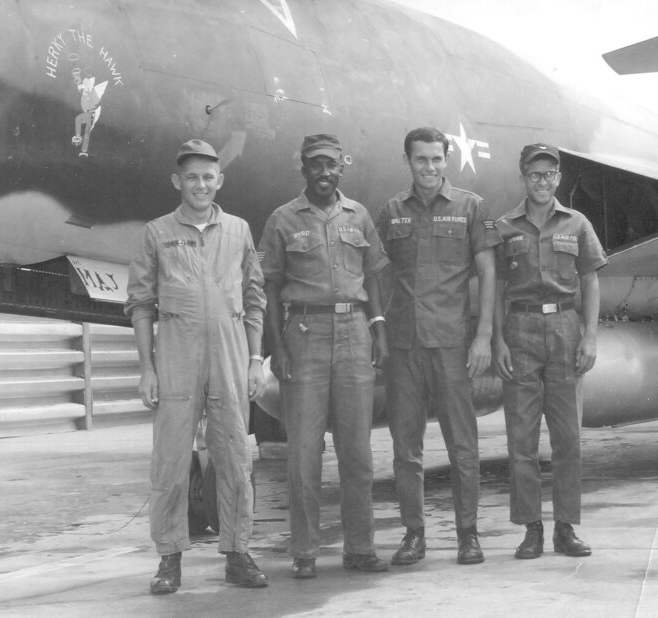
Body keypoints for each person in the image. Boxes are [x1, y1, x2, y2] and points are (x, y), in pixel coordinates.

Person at [124, 138, 269, 595]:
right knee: (169, 462)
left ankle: (237, 553)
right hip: (177, 359)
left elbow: (255, 299)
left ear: (220, 180)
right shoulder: (156, 233)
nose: (200, 185)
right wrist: (147, 368)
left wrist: (254, 360)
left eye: (208, 177)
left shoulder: (239, 231)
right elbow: (140, 305)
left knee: (235, 460)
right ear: (177, 181)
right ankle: (169, 558)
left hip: (229, 357)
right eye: (192, 177)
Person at [258, 133, 390, 579]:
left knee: (357, 451)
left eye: (331, 165)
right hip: (305, 334)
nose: (324, 172)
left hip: (355, 333)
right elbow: (270, 287)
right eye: (316, 164)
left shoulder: (359, 216)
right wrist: (276, 347)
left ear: (341, 168)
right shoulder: (282, 219)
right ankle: (304, 552)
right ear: (304, 168)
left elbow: (373, 276)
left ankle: (360, 548)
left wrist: (378, 328)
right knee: (303, 453)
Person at [377, 126, 500, 566]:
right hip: (404, 346)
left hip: (451, 344)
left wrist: (483, 336)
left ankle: (468, 534)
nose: (428, 168)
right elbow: (379, 273)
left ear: (446, 159)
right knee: (405, 448)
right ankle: (414, 535)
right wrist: (379, 332)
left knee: (462, 445)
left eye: (435, 159)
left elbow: (488, 273)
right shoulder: (392, 211)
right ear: (408, 161)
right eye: (420, 159)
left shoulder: (471, 207)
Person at [492, 143, 607, 559]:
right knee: (521, 439)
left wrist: (590, 336)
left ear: (558, 178)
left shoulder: (577, 223)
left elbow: (590, 279)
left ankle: (565, 528)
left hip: (564, 328)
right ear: (523, 177)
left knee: (567, 437)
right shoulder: (505, 227)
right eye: (534, 174)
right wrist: (497, 339)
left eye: (549, 174)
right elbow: (496, 287)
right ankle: (531, 529)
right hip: (520, 330)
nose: (542, 181)